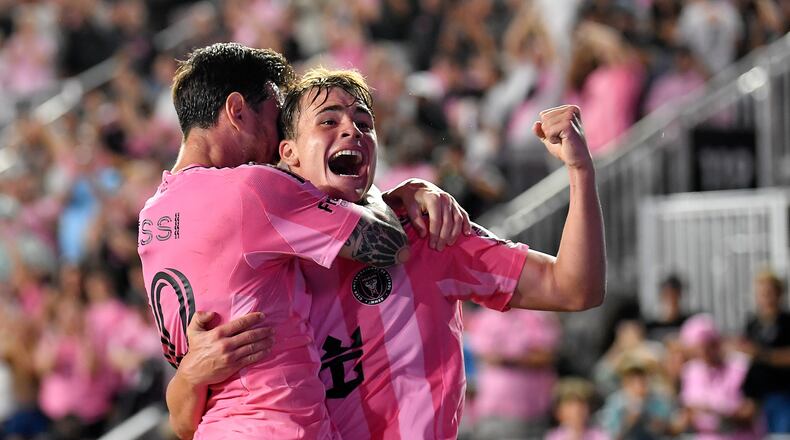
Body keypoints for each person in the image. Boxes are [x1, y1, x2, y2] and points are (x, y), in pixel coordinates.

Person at [168, 67, 606, 439]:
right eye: (328, 120)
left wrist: (581, 172)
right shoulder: (263, 264)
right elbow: (189, 421)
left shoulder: (425, 231)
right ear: (289, 155)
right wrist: (189, 374)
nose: (352, 130)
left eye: (364, 121)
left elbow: (575, 289)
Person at [138, 44, 468, 440]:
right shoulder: (252, 188)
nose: (282, 135)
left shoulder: (153, 217)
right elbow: (388, 242)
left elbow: (183, 418)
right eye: (277, 114)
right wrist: (401, 192)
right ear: (237, 110)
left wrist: (190, 376)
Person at [738, 270, 790, 433]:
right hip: (756, 397)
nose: (765, 297)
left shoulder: (786, 322)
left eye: (769, 293)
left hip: (782, 395)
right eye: (761, 293)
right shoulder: (753, 324)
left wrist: (762, 354)